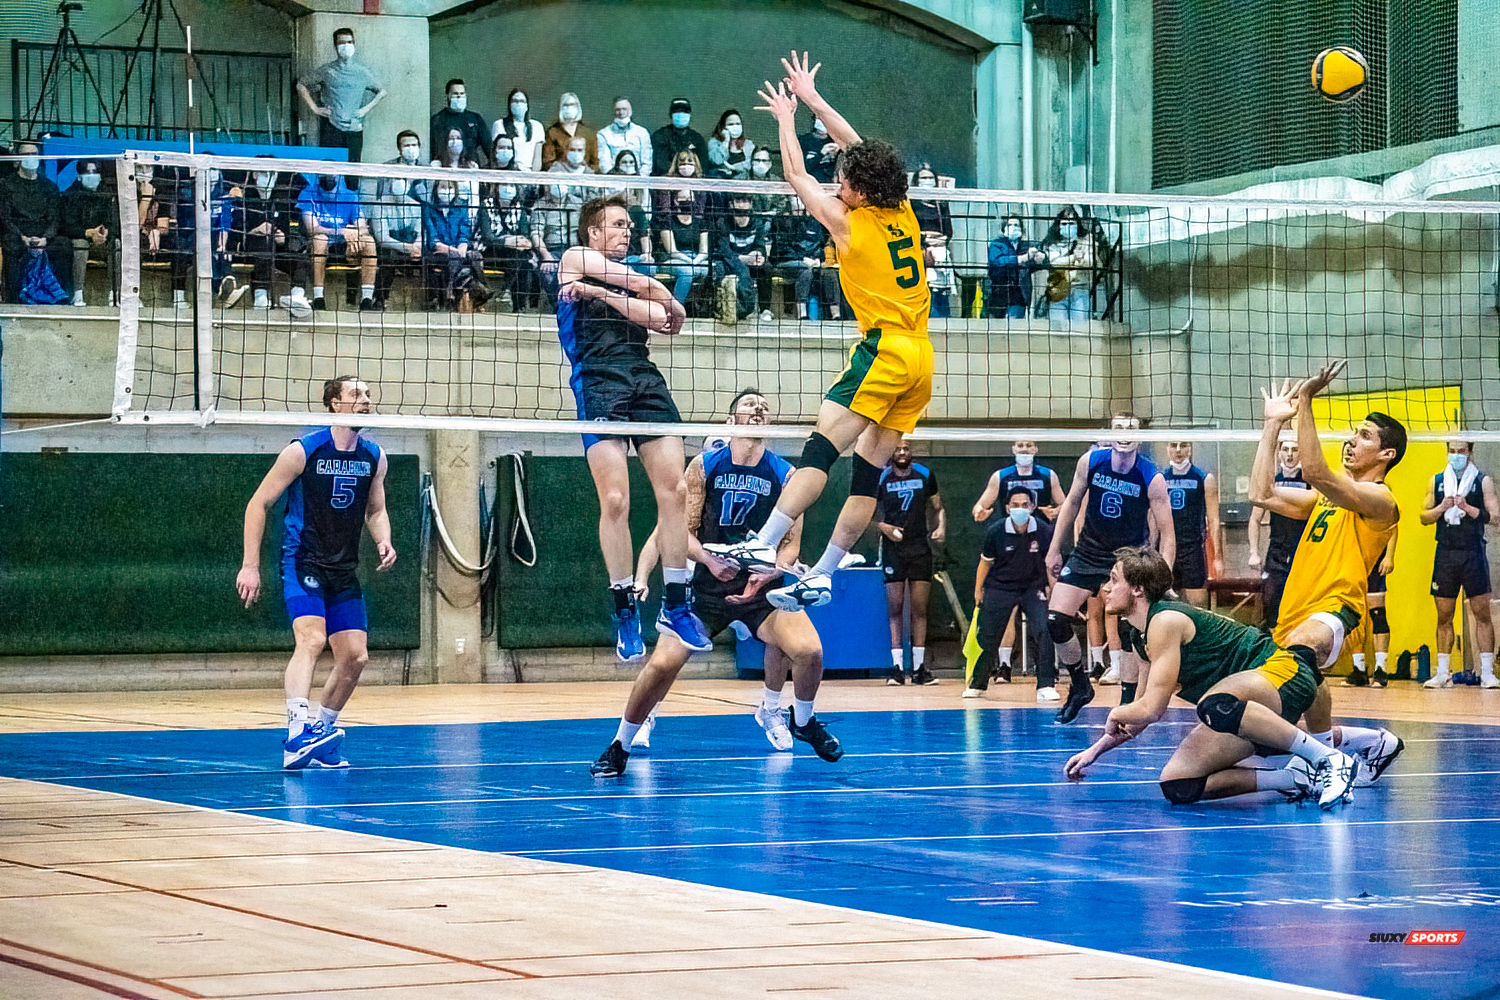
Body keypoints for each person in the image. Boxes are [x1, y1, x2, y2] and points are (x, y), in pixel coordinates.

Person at [707, 52, 931, 614]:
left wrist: (786, 118)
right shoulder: (898, 206)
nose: (838, 181)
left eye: (845, 181)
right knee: (865, 476)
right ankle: (825, 573)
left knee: (818, 452)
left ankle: (761, 543)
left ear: (859, 190)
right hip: (924, 357)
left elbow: (795, 176)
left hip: (884, 350)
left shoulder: (849, 224)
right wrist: (812, 99)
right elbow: (856, 148)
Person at [591, 389, 841, 776]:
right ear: (730, 422)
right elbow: (678, 532)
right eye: (748, 405)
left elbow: (791, 546)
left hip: (758, 593)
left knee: (809, 651)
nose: (758, 409)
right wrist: (710, 559)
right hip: (707, 590)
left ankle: (802, 719)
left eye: (764, 406)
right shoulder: (705, 466)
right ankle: (620, 744)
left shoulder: (787, 475)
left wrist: (770, 572)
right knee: (661, 667)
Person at [1063, 548, 1404, 810]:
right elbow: (1138, 713)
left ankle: (1329, 760)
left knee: (1217, 705)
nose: (1105, 588)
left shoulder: (1164, 621)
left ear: (1137, 589)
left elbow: (1151, 709)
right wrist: (1096, 750)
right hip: (1246, 701)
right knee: (1179, 785)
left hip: (1283, 672)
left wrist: (1114, 714)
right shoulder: (1141, 636)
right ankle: (1301, 774)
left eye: (1113, 579)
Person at [554, 194, 709, 664]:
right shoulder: (574, 258)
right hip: (598, 380)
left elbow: (664, 321)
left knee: (677, 491)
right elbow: (652, 296)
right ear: (593, 233)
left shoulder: (624, 273)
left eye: (628, 224)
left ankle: (676, 604)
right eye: (617, 224)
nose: (626, 230)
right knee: (616, 500)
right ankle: (625, 609)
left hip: (643, 377)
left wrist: (604, 294)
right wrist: (653, 295)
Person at [236, 376, 397, 769]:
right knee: (311, 639)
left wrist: (384, 539)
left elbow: (375, 509)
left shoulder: (374, 456)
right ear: (333, 403)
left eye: (369, 394)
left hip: (343, 568)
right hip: (303, 561)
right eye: (357, 394)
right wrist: (250, 565)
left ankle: (321, 735)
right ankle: (296, 734)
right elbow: (259, 504)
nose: (366, 400)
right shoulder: (303, 450)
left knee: (356, 657)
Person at [1249, 363, 1404, 753]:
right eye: (1353, 433)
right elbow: (1261, 494)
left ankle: (1317, 757)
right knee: (1287, 708)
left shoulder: (1382, 502)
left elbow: (1316, 471)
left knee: (1291, 670)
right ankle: (1353, 745)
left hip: (1335, 608)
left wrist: (1305, 401)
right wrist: (1272, 426)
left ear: (1386, 454)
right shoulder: (1324, 500)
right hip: (1295, 609)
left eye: (1363, 436)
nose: (1351, 441)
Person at [1046, 412, 1176, 723]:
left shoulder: (1151, 476)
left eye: (1131, 429)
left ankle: (1128, 702)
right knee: (1055, 619)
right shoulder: (1091, 462)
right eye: (1118, 428)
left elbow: (1168, 532)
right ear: (1110, 432)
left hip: (1127, 558)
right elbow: (1072, 503)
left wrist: (1163, 575)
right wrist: (1053, 549)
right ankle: (1080, 686)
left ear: (1140, 437)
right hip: (1088, 551)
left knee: (1129, 629)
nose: (1124, 434)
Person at [1419, 441, 1498, 689]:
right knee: (1444, 615)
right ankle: (1443, 672)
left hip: (1473, 552)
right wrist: (1441, 508)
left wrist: (1468, 508)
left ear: (1470, 453)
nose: (1456, 456)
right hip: (1446, 553)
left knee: (1482, 613)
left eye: (1461, 451)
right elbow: (1423, 516)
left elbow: (1495, 517)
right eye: (1452, 451)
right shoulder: (1437, 480)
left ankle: (1487, 672)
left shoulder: (1482, 480)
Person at [967, 487, 1056, 700]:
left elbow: (1051, 564)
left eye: (1025, 505)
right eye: (1015, 505)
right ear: (1007, 508)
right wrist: (978, 589)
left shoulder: (1043, 530)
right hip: (1000, 587)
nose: (1020, 509)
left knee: (1044, 629)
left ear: (1033, 507)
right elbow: (985, 564)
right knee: (988, 634)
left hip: (1032, 587)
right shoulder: (995, 531)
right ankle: (977, 684)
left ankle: (1046, 684)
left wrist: (1054, 591)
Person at [877, 442, 944, 685]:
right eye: (897, 449)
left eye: (906, 448)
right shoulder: (882, 477)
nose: (902, 452)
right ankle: (896, 668)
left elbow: (938, 507)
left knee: (919, 608)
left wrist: (941, 527)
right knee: (895, 607)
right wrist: (884, 527)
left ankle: (919, 669)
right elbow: (869, 515)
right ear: (891, 452)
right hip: (893, 550)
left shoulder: (925, 474)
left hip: (919, 548)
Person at [1247, 434, 1311, 630]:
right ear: (1280, 453)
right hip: (1277, 551)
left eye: (1294, 449)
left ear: (1301, 452)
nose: (1290, 454)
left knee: (1302, 606)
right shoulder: (1271, 482)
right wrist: (1254, 553)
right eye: (1286, 449)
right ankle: (1274, 651)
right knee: (1271, 602)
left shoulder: (1311, 482)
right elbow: (1255, 518)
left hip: (1304, 551)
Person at [296, 27, 386, 164]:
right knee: (329, 172)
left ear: (354, 44)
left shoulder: (362, 72)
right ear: (335, 46)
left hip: (355, 126)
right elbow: (301, 84)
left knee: (353, 173)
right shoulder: (327, 70)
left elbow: (382, 91)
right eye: (341, 43)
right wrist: (315, 108)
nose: (346, 46)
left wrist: (365, 109)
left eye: (349, 42)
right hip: (332, 125)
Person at [0, 140, 70, 303]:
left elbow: (55, 217)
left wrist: (45, 238)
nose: (31, 158)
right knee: (11, 246)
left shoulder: (49, 186)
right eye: (26, 154)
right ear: (17, 160)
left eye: (34, 154)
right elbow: (4, 217)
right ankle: (14, 298)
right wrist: (22, 237)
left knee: (63, 245)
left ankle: (64, 297)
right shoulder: (5, 185)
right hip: (17, 234)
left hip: (43, 234)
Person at [297, 172, 377, 311]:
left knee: (369, 242)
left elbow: (362, 227)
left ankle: (366, 300)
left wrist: (357, 235)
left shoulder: (349, 196)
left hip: (346, 245)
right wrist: (342, 231)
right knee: (320, 239)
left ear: (338, 178)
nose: (328, 179)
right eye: (325, 176)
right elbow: (312, 228)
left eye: (332, 176)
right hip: (320, 244)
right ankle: (318, 299)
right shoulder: (308, 193)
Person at [238, 163, 308, 314]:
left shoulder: (284, 201)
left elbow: (295, 229)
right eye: (263, 174)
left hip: (280, 250)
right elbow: (235, 229)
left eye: (271, 174)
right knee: (265, 242)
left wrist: (285, 238)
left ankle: (297, 297)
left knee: (301, 257)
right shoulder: (244, 198)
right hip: (252, 250)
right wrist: (255, 230)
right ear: (254, 176)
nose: (267, 178)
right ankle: (260, 295)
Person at [1162, 441, 1224, 607]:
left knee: (1197, 606)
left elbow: (1213, 519)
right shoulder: (1160, 478)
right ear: (1166, 448)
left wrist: (1218, 557)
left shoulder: (1203, 477)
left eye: (1183, 445)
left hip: (1193, 549)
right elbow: (1152, 520)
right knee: (1167, 605)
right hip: (1167, 549)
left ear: (1190, 448)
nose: (1178, 450)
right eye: (1173, 445)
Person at [60, 158, 119, 307]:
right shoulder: (70, 195)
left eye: (95, 172)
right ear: (79, 175)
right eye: (87, 172)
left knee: (117, 245)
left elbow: (115, 222)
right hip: (81, 240)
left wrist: (105, 233)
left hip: (102, 242)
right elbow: (66, 226)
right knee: (80, 245)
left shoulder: (108, 194)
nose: (92, 175)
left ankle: (115, 294)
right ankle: (77, 294)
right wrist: (88, 233)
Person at [768, 196, 838, 321]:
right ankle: (802, 314)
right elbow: (780, 250)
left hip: (811, 263)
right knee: (804, 271)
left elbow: (820, 245)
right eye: (795, 198)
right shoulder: (781, 220)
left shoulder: (816, 222)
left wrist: (818, 260)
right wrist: (803, 259)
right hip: (784, 262)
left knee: (829, 272)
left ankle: (836, 315)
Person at [477, 181, 540, 312]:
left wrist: (520, 242)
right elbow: (488, 238)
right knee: (519, 257)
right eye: (504, 185)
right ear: (497, 188)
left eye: (511, 186)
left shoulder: (519, 207)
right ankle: (508, 294)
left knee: (523, 259)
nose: (508, 189)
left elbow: (525, 237)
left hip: (513, 252)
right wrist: (509, 241)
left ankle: (518, 305)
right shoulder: (486, 206)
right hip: (489, 251)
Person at [973, 440, 1065, 523]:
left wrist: (1056, 512)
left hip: (1040, 529)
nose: (1024, 449)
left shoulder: (1048, 475)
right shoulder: (1001, 476)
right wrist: (979, 512)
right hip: (1009, 529)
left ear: (1035, 449)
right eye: (1020, 445)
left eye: (1029, 445)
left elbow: (1065, 505)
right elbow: (980, 506)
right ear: (1014, 449)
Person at [367, 173, 423, 312]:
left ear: (408, 183)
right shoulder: (379, 205)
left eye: (402, 179)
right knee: (388, 256)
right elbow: (382, 238)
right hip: (391, 247)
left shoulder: (416, 206)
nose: (399, 182)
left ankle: (436, 300)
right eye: (396, 179)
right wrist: (406, 248)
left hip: (411, 246)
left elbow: (420, 233)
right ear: (390, 182)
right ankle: (379, 298)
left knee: (429, 257)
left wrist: (417, 246)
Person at [1346, 534, 1396, 687]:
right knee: (1352, 614)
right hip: (1352, 559)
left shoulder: (1378, 509)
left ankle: (1381, 668)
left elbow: (1392, 527)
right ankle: (1358, 668)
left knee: (1378, 613)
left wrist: (1389, 556)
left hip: (1375, 558)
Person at [422, 178, 477, 310]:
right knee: (453, 257)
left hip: (458, 249)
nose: (446, 190)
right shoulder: (428, 208)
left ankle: (477, 294)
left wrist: (462, 245)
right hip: (438, 250)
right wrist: (452, 250)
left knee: (476, 256)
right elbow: (432, 238)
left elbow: (465, 230)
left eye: (450, 187)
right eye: (443, 187)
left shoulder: (461, 206)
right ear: (436, 189)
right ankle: (451, 292)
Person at [712, 194, 768, 322]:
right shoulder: (722, 222)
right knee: (719, 267)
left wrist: (759, 254)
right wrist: (742, 259)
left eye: (745, 201)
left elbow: (760, 245)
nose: (741, 204)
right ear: (731, 204)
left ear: (751, 204)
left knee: (766, 267)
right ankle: (721, 307)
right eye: (738, 201)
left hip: (750, 260)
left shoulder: (758, 222)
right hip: (729, 261)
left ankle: (765, 309)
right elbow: (723, 250)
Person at [910, 164, 955, 319]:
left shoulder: (941, 204)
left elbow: (948, 231)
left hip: (940, 251)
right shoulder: (910, 204)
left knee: (941, 293)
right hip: (918, 253)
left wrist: (939, 241)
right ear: (916, 181)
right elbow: (908, 228)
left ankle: (943, 321)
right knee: (923, 291)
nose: (927, 181)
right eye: (923, 178)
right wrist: (924, 243)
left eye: (930, 178)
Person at [655, 188, 709, 307]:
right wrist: (690, 262)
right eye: (684, 199)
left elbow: (704, 252)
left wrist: (695, 261)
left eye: (690, 199)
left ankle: (698, 307)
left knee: (707, 270)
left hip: (695, 259)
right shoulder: (667, 222)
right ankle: (675, 308)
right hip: (672, 259)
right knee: (687, 271)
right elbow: (672, 251)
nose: (687, 201)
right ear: (675, 201)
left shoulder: (700, 222)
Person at [1041, 206, 1094, 323]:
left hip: (1080, 288)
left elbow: (1090, 261)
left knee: (1080, 329)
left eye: (1071, 223)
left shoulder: (1087, 240)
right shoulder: (1051, 242)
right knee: (1058, 330)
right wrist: (1074, 257)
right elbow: (1055, 263)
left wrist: (1082, 260)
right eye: (1064, 223)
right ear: (1058, 225)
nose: (1068, 226)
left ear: (1077, 224)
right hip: (1057, 289)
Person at [987, 214, 1045, 319]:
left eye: (1016, 225)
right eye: (1009, 225)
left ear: (1021, 229)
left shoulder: (1026, 246)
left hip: (1018, 297)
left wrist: (1041, 258)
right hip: (998, 296)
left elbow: (1039, 261)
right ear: (1004, 228)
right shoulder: (996, 244)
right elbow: (997, 262)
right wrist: (1021, 258)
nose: (1013, 227)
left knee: (1013, 328)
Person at [431, 79, 490, 168]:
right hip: (446, 167)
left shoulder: (475, 119)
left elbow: (488, 146)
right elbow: (433, 147)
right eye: (455, 94)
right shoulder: (438, 120)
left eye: (462, 93)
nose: (459, 96)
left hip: (471, 167)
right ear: (448, 95)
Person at [542, 92, 599, 172]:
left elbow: (595, 162)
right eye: (566, 105)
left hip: (584, 177)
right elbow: (547, 162)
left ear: (578, 107)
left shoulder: (588, 133)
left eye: (572, 105)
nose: (569, 108)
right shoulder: (552, 132)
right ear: (560, 108)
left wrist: (585, 170)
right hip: (560, 176)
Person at [491, 88, 546, 172]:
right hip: (507, 172)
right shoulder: (499, 124)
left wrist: (534, 179)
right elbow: (496, 154)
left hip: (529, 174)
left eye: (521, 101)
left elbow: (537, 158)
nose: (518, 103)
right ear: (509, 105)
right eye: (515, 101)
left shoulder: (537, 126)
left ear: (527, 105)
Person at [650, 98, 708, 176]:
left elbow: (703, 165)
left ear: (689, 116)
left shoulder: (697, 138)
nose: (681, 114)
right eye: (677, 111)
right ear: (671, 116)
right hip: (666, 182)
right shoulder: (660, 136)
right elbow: (660, 163)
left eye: (684, 112)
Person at [597, 96, 653, 176]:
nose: (621, 112)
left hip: (639, 181)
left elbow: (647, 163)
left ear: (630, 111)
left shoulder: (642, 133)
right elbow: (604, 164)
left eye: (624, 109)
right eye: (618, 110)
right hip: (614, 182)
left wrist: (638, 180)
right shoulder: (604, 134)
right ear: (613, 112)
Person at [707, 109, 755, 180]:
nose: (735, 127)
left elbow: (750, 165)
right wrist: (726, 141)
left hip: (741, 183)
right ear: (723, 127)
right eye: (731, 124)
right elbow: (717, 161)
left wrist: (734, 168)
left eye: (738, 124)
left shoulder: (748, 144)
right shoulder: (714, 143)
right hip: (721, 183)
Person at [798, 114, 839, 183]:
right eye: (820, 120)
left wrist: (838, 154)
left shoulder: (835, 141)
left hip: (829, 183)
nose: (823, 123)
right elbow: (802, 167)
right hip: (809, 182)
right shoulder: (804, 141)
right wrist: (821, 154)